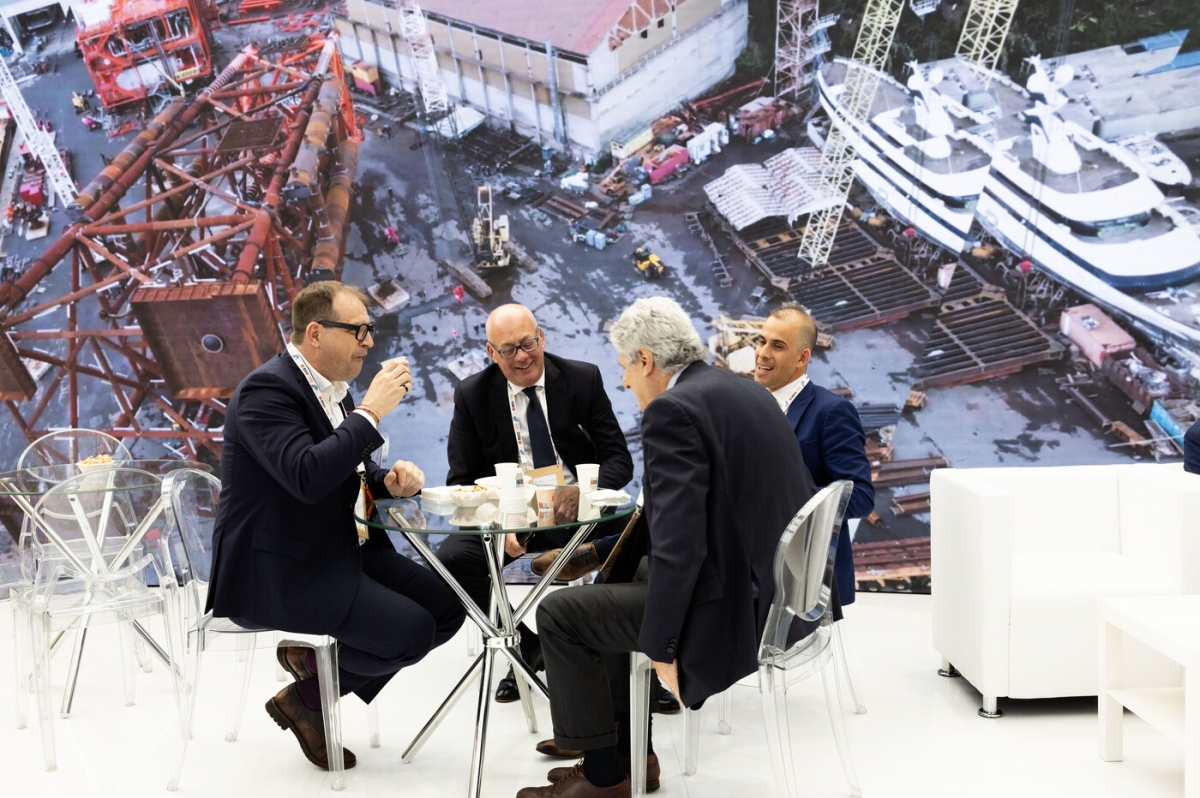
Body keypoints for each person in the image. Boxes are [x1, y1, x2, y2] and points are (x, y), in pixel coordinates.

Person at [518, 297, 816, 798]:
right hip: (775, 595)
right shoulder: (738, 388)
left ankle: (603, 778)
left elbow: (680, 546)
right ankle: (630, 754)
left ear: (646, 360)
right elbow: (686, 519)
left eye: (625, 367)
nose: (624, 381)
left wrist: (663, 647)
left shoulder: (672, 411)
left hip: (733, 611)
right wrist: (602, 556)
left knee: (560, 614)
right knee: (616, 582)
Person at [206, 281, 465, 770]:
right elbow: (307, 476)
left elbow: (346, 473)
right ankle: (310, 696)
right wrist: (370, 412)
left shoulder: (332, 391)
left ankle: (309, 682)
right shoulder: (266, 390)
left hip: (338, 548)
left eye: (370, 330)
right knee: (411, 633)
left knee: (449, 609)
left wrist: (388, 483)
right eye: (359, 330)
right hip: (281, 568)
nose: (369, 342)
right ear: (315, 333)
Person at [441, 303, 633, 704]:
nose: (522, 356)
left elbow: (619, 459)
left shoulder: (582, 378)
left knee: (638, 540)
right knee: (453, 559)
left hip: (579, 511)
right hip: (511, 518)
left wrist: (584, 491)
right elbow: (461, 481)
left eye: (528, 343)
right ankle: (523, 646)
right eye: (508, 349)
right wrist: (499, 520)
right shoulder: (472, 394)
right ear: (491, 353)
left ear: (542, 336)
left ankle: (624, 666)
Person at [753, 302, 875, 618]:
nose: (762, 353)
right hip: (752, 572)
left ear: (802, 357)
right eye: (761, 341)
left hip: (804, 582)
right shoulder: (747, 404)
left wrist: (783, 498)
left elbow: (860, 497)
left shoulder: (831, 412)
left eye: (777, 346)